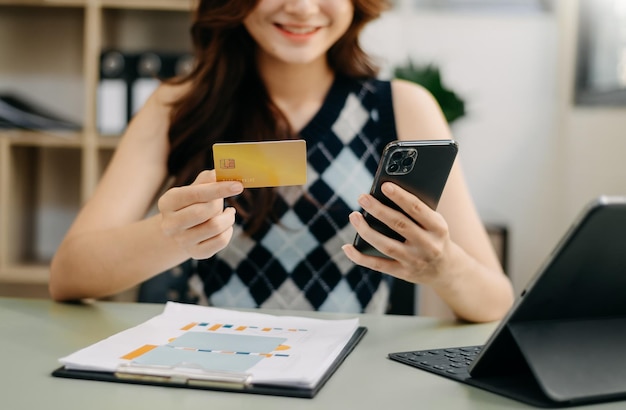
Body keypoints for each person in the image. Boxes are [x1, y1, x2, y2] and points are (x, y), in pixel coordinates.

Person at [49, 0, 514, 323]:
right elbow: (69, 275)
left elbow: (494, 299)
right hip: (212, 369)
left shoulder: (404, 107)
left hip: (352, 376)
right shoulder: (178, 104)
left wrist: (442, 266)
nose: (302, 8)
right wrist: (170, 234)